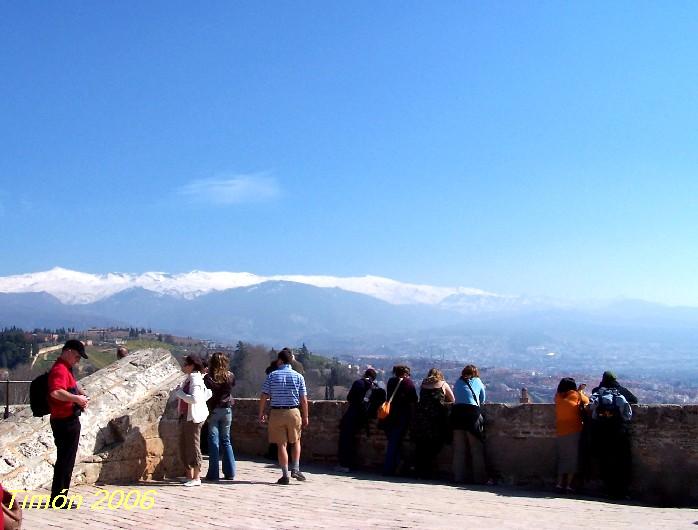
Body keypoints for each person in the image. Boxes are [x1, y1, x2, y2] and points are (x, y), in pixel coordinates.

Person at [47, 339, 89, 507]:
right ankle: (59, 499)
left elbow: (71, 385)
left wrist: (81, 393)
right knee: (65, 461)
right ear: (69, 352)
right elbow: (55, 392)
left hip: (67, 419)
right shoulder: (59, 370)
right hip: (64, 421)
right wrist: (76, 398)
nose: (77, 360)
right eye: (77, 357)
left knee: (66, 460)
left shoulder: (65, 369)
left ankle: (60, 497)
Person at [258, 348, 309, 485]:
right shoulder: (299, 376)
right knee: (296, 440)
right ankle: (296, 468)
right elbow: (303, 399)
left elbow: (264, 396)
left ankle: (285, 474)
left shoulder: (272, 376)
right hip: (293, 411)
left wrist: (261, 412)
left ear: (280, 360)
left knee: (282, 444)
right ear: (291, 360)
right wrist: (305, 416)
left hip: (276, 412)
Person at [589, 371, 637, 498]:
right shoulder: (621, 391)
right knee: (621, 462)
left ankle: (608, 489)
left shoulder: (597, 391)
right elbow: (634, 400)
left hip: (601, 432)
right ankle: (621, 491)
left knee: (605, 461)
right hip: (619, 431)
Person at [175, 354, 211, 487]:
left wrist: (181, 394)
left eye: (186, 364)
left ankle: (196, 477)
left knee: (193, 446)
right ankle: (188, 475)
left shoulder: (195, 380)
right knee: (184, 445)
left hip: (193, 417)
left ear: (191, 365)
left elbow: (194, 399)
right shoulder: (191, 379)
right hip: (186, 415)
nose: (184, 366)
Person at [412, 368, 454, 478]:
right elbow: (453, 400)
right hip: (437, 419)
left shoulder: (423, 384)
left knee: (422, 445)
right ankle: (428, 470)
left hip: (422, 418)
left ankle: (421, 469)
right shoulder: (443, 384)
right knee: (435, 443)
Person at [336, 368, 380, 472]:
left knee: (345, 439)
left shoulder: (358, 383)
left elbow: (350, 397)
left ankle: (344, 464)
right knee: (353, 440)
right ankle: (352, 463)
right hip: (363, 417)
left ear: (365, 374)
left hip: (352, 414)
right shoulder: (375, 387)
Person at [451, 364, 487, 484]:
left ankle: (458, 477)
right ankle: (479, 479)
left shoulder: (457, 382)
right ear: (475, 373)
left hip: (456, 414)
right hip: (471, 414)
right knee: (476, 447)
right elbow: (482, 399)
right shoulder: (477, 381)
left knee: (459, 449)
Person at [203, 351, 236, 481]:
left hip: (214, 411)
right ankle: (230, 472)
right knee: (226, 441)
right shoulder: (230, 376)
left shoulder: (208, 378)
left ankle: (213, 473)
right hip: (227, 410)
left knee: (213, 442)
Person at [381, 365, 418, 476]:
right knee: (394, 443)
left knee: (393, 442)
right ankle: (389, 469)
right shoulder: (408, 383)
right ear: (406, 373)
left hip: (389, 415)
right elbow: (414, 399)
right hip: (401, 416)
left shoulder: (391, 381)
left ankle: (395, 467)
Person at [554, 377, 589, 493]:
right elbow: (587, 401)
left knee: (562, 458)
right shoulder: (576, 395)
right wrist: (580, 391)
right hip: (574, 430)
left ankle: (559, 484)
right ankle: (569, 485)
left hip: (560, 431)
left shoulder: (558, 397)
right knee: (573, 459)